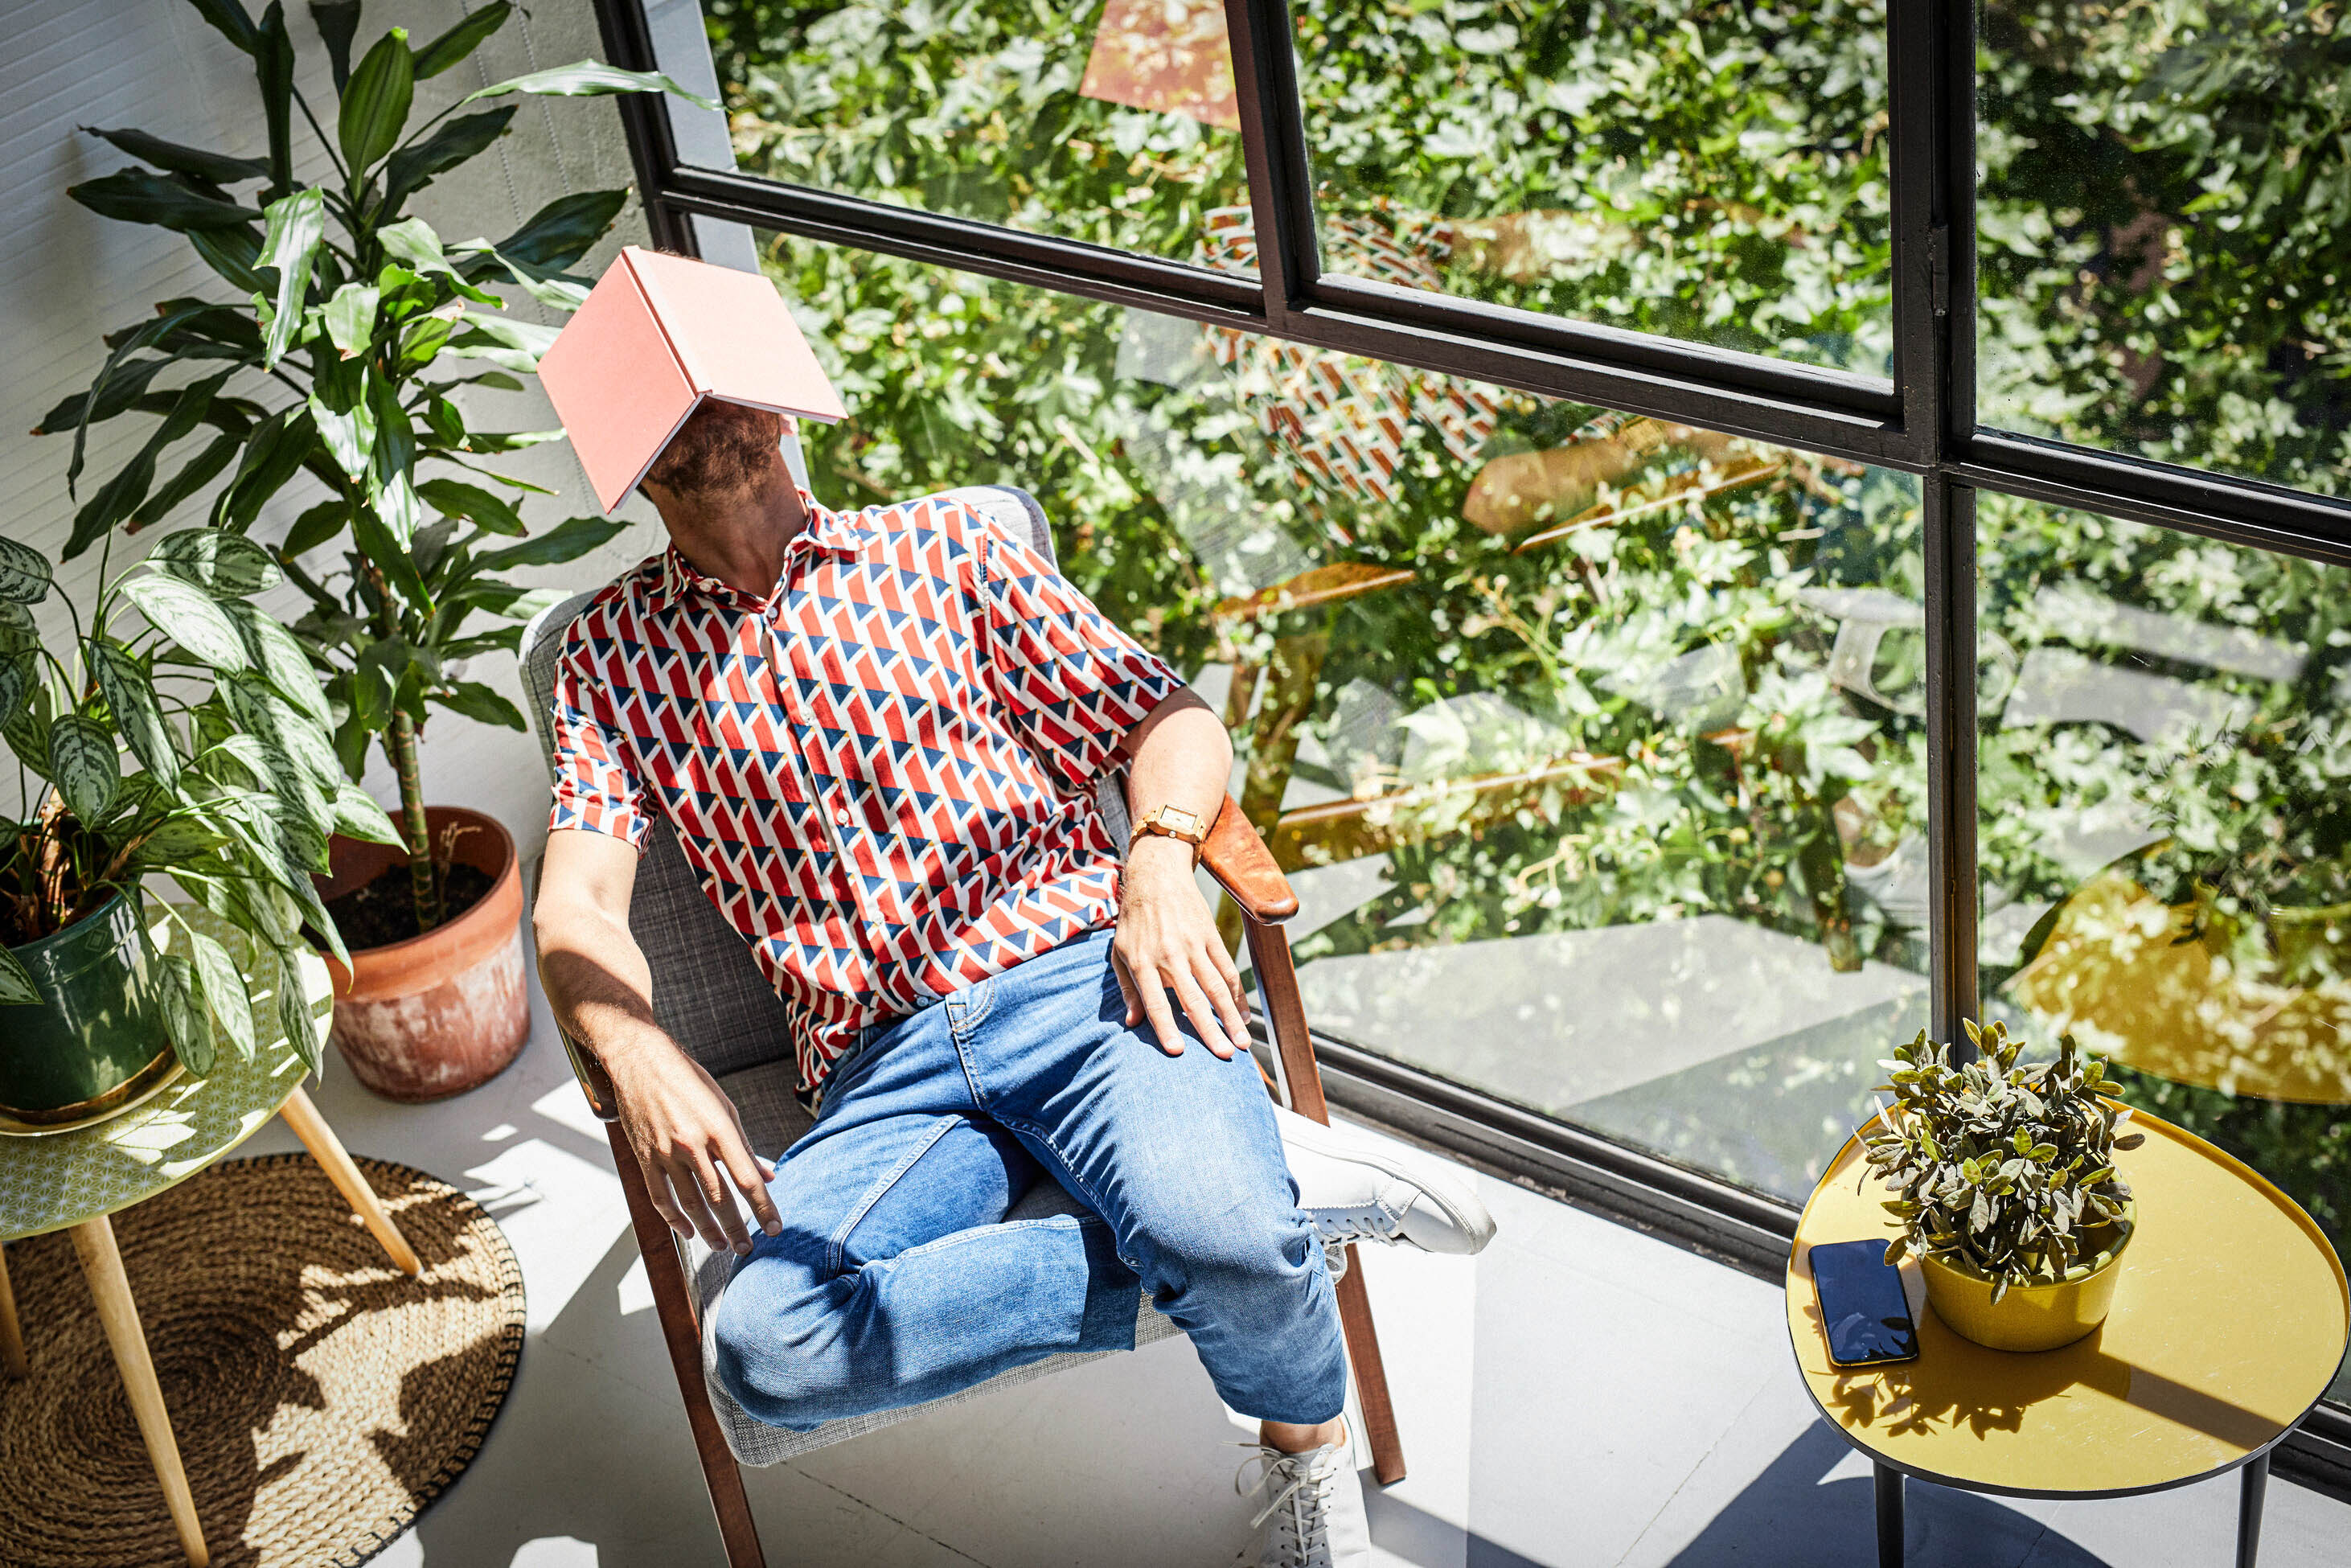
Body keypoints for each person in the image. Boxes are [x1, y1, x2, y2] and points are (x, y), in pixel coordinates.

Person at [531, 397, 1494, 1567]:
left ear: (775, 398)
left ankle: (1303, 1442)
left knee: (1228, 1244)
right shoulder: (608, 657)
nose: (692, 412)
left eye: (714, 383)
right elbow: (576, 903)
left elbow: (1167, 716)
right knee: (768, 1347)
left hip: (1080, 982)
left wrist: (1158, 854)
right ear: (624, 452)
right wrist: (633, 1049)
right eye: (659, 398)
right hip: (881, 1075)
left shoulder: (945, 549)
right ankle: (1250, 1224)